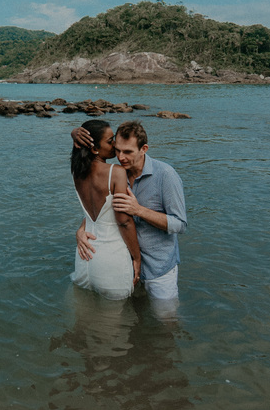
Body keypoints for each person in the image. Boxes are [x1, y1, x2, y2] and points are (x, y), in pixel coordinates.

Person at [73, 120, 187, 303]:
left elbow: (180, 224)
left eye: (128, 152)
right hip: (125, 266)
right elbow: (102, 209)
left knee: (165, 323)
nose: (121, 157)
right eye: (117, 150)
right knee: (134, 325)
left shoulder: (165, 175)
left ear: (144, 149)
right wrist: (81, 229)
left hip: (158, 270)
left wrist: (139, 210)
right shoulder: (118, 174)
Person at [70, 119, 142, 300]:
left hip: (84, 257)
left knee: (82, 322)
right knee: (115, 325)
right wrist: (137, 258)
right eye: (110, 141)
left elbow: (93, 214)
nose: (115, 145)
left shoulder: (76, 171)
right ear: (94, 148)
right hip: (111, 259)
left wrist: (74, 132)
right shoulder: (116, 172)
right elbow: (123, 221)